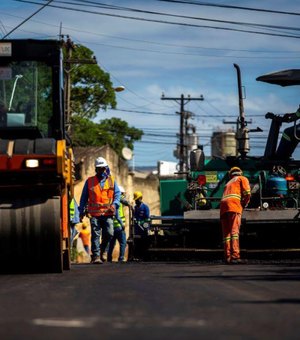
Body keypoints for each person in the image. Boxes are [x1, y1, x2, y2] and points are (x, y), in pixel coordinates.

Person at [79, 156, 121, 264]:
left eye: (103, 168)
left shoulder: (111, 181)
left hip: (107, 213)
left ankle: (104, 250)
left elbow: (117, 195)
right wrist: (81, 211)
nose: (101, 170)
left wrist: (115, 204)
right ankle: (96, 255)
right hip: (95, 214)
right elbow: (83, 197)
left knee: (110, 233)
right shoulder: (90, 181)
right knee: (96, 234)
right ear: (96, 169)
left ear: (106, 168)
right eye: (99, 168)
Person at [220, 167, 251, 265]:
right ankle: (235, 256)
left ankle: (227, 257)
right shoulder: (242, 178)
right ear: (240, 173)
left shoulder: (228, 183)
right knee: (234, 231)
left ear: (231, 174)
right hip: (234, 206)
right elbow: (247, 193)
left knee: (227, 234)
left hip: (223, 208)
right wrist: (244, 204)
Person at [108, 185, 131, 263]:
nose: (124, 196)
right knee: (123, 243)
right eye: (123, 194)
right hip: (119, 226)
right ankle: (121, 258)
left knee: (111, 243)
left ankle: (109, 258)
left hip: (112, 226)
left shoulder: (112, 199)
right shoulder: (119, 200)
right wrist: (122, 224)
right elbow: (117, 213)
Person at [133, 191, 151, 260]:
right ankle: (137, 257)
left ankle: (144, 257)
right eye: (135, 200)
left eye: (137, 200)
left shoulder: (145, 207)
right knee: (137, 243)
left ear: (140, 199)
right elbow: (135, 216)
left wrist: (141, 222)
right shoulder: (135, 208)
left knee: (144, 243)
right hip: (137, 229)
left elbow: (148, 219)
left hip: (143, 229)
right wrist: (135, 219)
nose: (136, 201)